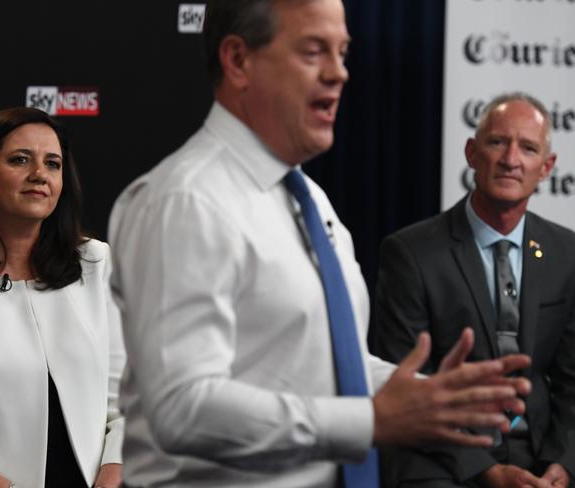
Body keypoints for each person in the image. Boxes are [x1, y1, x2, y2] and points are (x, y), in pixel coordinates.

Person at [109, 2, 531, 487]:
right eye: (314, 52)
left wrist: (428, 397)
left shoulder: (310, 199)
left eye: (343, 52)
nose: (339, 73)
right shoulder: (186, 200)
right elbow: (182, 407)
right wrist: (370, 421)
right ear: (238, 60)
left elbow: (330, 364)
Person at [375, 92, 575, 487]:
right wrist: (486, 472)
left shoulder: (568, 254)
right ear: (471, 153)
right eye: (497, 142)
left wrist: (564, 468)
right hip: (444, 455)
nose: (510, 159)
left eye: (528, 147)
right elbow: (403, 384)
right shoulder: (411, 253)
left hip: (540, 455)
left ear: (546, 167)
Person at [0, 107, 125, 488]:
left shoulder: (97, 264)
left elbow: (127, 407)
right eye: (21, 160)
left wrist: (111, 476)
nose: (40, 174)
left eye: (52, 164)